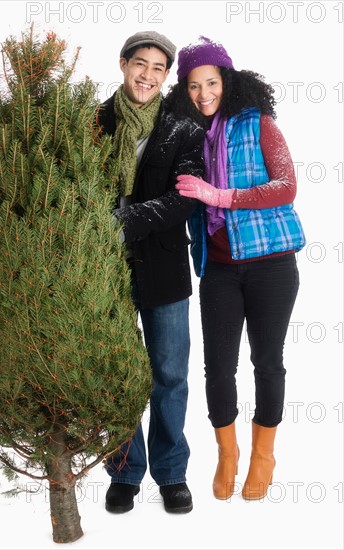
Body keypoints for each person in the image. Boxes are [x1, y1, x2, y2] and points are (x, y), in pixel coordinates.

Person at [167, 36, 306, 501]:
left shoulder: (258, 123)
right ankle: (228, 454)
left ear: (228, 81)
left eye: (211, 82)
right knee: (217, 368)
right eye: (192, 86)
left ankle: (263, 454)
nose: (203, 94)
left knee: (267, 363)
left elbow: (286, 186)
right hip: (219, 270)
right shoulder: (186, 134)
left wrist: (219, 196)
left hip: (271, 265)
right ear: (182, 91)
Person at [97, 31, 204, 514]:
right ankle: (125, 471)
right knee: (115, 373)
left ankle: (171, 473)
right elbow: (54, 161)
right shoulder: (91, 121)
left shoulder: (184, 128)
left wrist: (125, 222)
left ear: (166, 76)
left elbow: (185, 197)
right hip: (100, 271)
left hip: (163, 269)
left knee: (169, 374)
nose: (148, 75)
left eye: (159, 69)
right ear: (124, 64)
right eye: (141, 64)